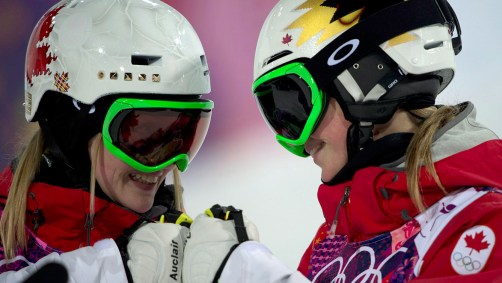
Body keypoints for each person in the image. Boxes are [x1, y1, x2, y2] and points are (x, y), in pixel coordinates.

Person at [182, 0, 502, 282]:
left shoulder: (486, 219)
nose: (299, 144)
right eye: (279, 116)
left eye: (295, 107)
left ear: (364, 77)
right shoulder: (336, 237)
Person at [0, 0, 213, 282]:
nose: (164, 164)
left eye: (182, 135)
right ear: (73, 127)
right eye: (142, 135)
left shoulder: (182, 254)